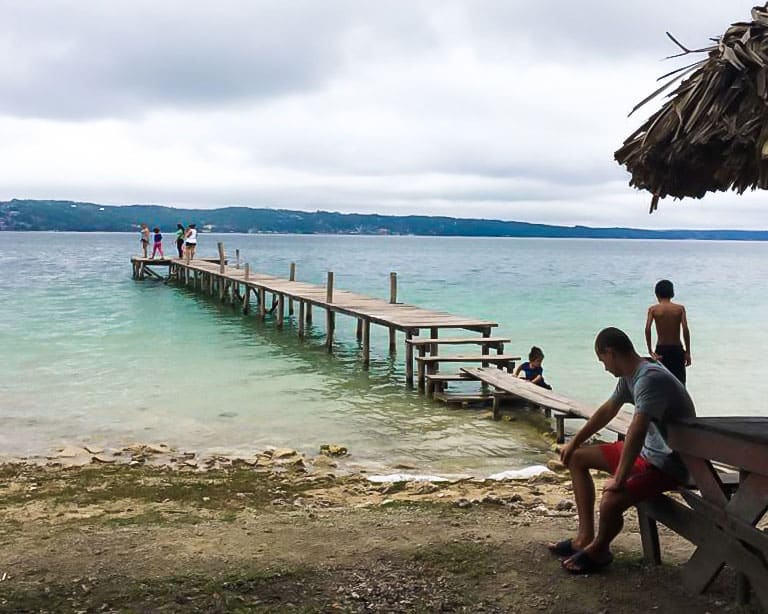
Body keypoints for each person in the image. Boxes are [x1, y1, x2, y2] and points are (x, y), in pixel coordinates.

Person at [548, 327, 695, 574]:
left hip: (670, 464)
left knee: (611, 500)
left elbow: (637, 430)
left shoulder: (649, 378)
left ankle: (599, 551)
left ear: (611, 352)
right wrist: (574, 443)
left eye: (602, 360)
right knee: (577, 458)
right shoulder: (630, 376)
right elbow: (607, 410)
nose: (604, 367)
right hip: (648, 455)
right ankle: (584, 538)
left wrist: (619, 477)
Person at [644, 279, 691, 385]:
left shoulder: (653, 309)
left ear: (657, 294)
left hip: (661, 350)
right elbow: (685, 329)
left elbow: (647, 329)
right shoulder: (680, 309)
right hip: (677, 349)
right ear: (672, 293)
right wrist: (687, 352)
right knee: (680, 384)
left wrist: (651, 351)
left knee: (662, 385)